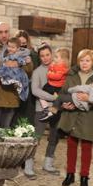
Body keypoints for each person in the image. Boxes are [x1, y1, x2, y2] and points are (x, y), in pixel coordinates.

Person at [58, 49, 93, 186]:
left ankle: (85, 176)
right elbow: (63, 93)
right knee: (71, 146)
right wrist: (64, 104)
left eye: (87, 60)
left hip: (89, 116)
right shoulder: (71, 75)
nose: (84, 63)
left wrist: (89, 99)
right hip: (71, 115)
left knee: (86, 148)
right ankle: (70, 174)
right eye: (81, 60)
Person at [0, 22, 33, 128]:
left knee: (6, 131)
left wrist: (19, 64)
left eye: (6, 32)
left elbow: (29, 70)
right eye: (0, 32)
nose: (4, 35)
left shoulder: (18, 48)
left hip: (12, 97)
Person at [31, 44, 61, 174]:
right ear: (39, 57)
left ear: (51, 54)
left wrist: (59, 100)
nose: (45, 58)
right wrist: (53, 97)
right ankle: (29, 164)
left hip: (57, 108)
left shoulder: (59, 69)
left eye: (47, 55)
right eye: (42, 56)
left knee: (54, 136)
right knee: (36, 136)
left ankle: (48, 163)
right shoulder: (37, 71)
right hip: (41, 108)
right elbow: (35, 90)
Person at [0, 37, 31, 103]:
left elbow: (22, 60)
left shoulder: (18, 54)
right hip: (6, 68)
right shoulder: (6, 53)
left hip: (15, 70)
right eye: (9, 46)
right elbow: (0, 55)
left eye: (13, 47)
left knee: (18, 76)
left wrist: (25, 61)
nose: (10, 49)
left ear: (17, 48)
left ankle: (16, 84)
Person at [39, 47, 70, 121]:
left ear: (63, 59)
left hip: (55, 86)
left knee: (42, 95)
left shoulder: (62, 67)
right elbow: (51, 68)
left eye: (56, 57)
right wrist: (51, 68)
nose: (54, 59)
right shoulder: (56, 65)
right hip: (53, 84)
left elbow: (57, 76)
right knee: (48, 97)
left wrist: (49, 74)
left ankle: (48, 109)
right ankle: (49, 110)